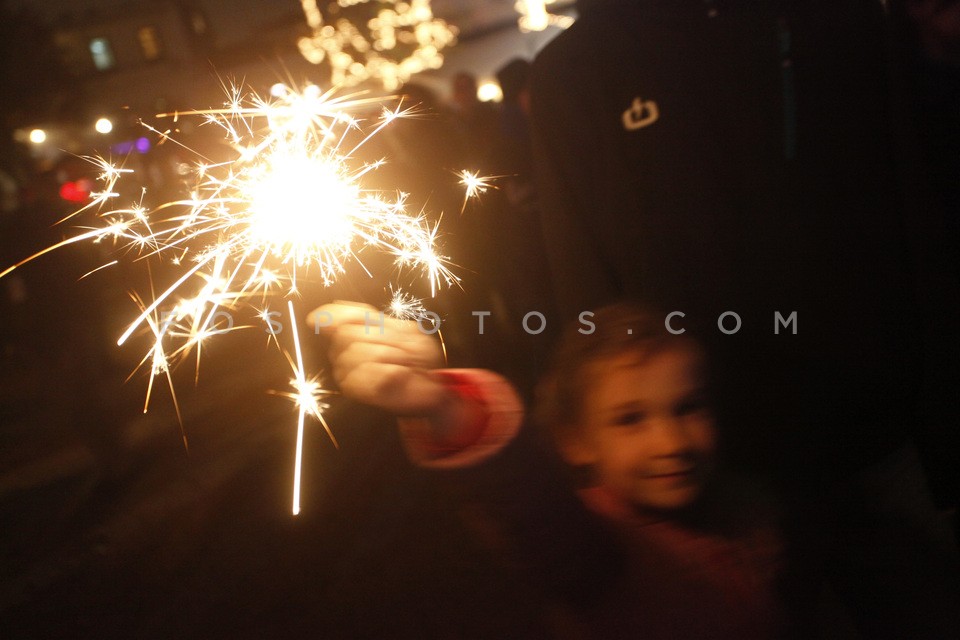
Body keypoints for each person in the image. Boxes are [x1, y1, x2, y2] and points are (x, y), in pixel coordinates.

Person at [528, 1, 959, 636]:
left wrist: (944, 428)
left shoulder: (845, 20)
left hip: (881, 435)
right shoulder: (578, 70)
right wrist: (621, 464)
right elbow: (587, 288)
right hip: (714, 469)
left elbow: (919, 214)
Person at [314, 300, 786, 638]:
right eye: (630, 419)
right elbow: (530, 506)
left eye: (688, 408)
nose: (673, 443)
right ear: (574, 442)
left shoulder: (747, 514)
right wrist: (445, 407)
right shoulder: (594, 554)